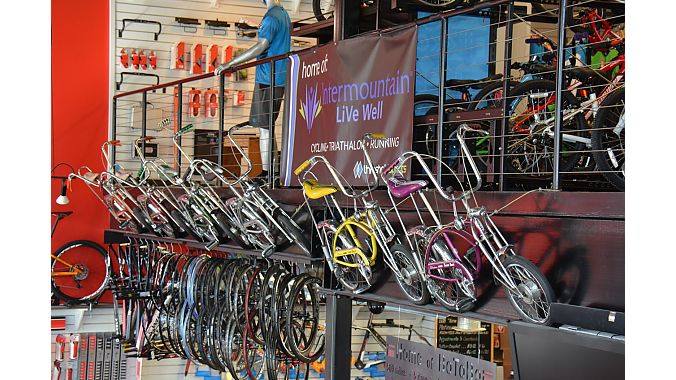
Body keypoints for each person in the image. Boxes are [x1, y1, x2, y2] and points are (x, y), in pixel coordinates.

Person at [215, 0, 291, 184]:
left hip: (268, 78)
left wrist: (230, 63)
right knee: (268, 127)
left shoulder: (272, 17)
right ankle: (270, 173)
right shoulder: (282, 14)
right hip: (276, 77)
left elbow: (262, 45)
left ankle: (267, 174)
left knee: (265, 128)